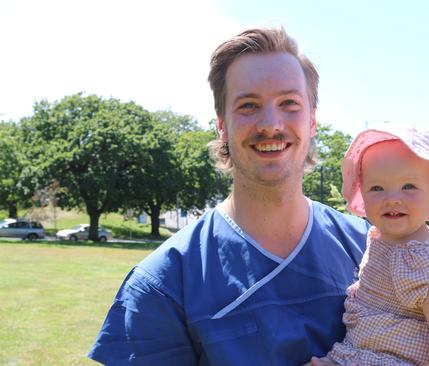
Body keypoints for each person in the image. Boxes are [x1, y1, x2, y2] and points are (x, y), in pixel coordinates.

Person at [88, 27, 369, 365]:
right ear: (222, 124)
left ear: (312, 121)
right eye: (248, 105)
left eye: (289, 103)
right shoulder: (163, 285)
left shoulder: (370, 248)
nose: (270, 123)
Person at [315, 125, 429, 365]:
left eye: (409, 186)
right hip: (367, 347)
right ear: (362, 193)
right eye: (377, 188)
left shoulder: (421, 258)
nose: (392, 198)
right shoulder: (378, 236)